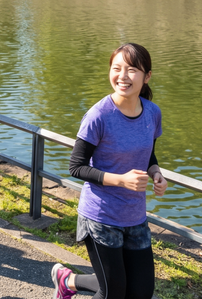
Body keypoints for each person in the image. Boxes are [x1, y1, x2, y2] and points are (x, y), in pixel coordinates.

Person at [51, 43, 166, 299]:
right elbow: (76, 167)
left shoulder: (152, 113)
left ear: (147, 76)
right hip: (101, 216)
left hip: (135, 216)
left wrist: (156, 172)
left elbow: (148, 154)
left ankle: (67, 280)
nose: (123, 76)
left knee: (141, 292)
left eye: (132, 70)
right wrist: (121, 180)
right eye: (117, 68)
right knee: (113, 293)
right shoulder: (99, 116)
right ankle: (69, 281)